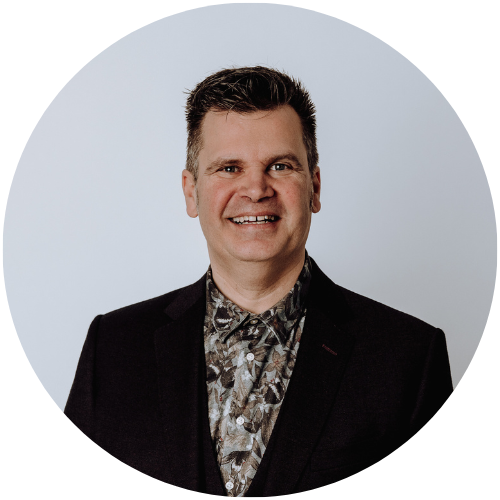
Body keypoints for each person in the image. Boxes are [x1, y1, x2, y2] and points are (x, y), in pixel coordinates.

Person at [64, 66, 453, 497]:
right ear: (191, 192)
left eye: (280, 166)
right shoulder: (113, 346)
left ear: (314, 187)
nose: (255, 189)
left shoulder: (409, 359)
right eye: (229, 167)